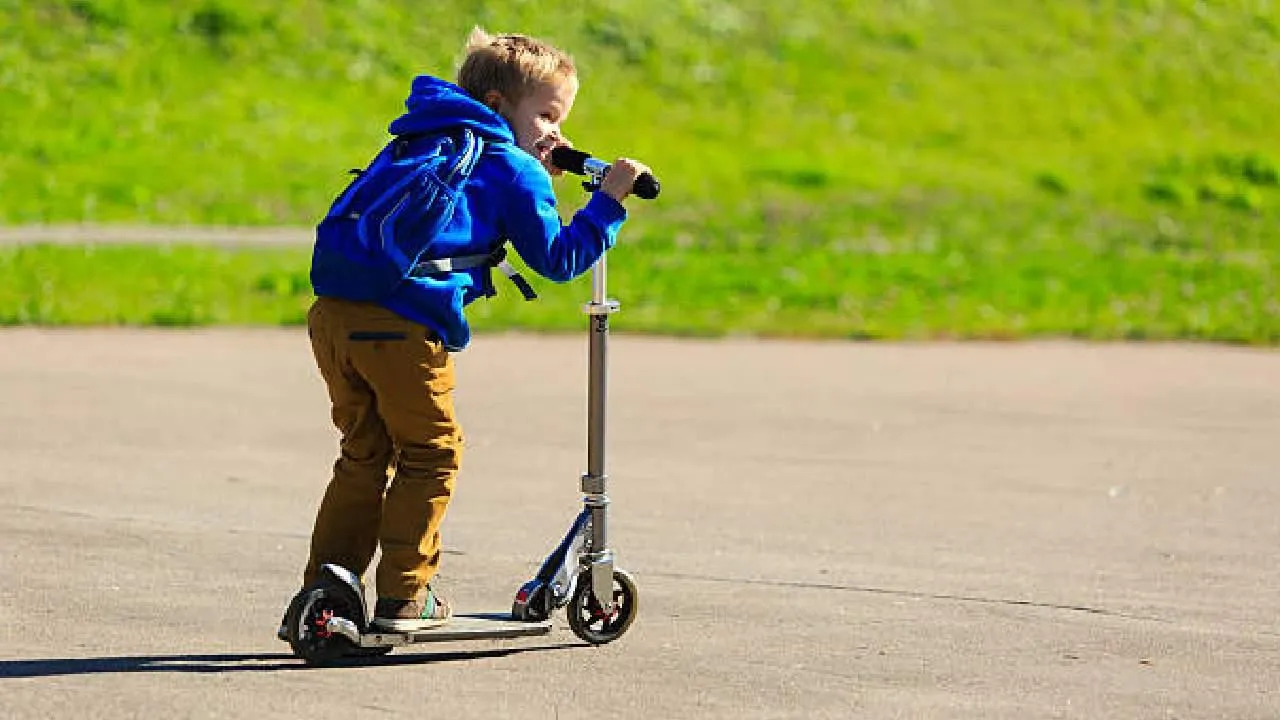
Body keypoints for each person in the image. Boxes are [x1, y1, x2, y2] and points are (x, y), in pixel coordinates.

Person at [285, 27, 651, 634]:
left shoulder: (422, 137)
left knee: (363, 453)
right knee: (431, 454)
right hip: (402, 327)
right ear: (502, 106)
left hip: (333, 316)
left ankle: (330, 589)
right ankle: (405, 595)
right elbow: (559, 261)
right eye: (548, 115)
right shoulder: (512, 167)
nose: (556, 134)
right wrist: (607, 204)